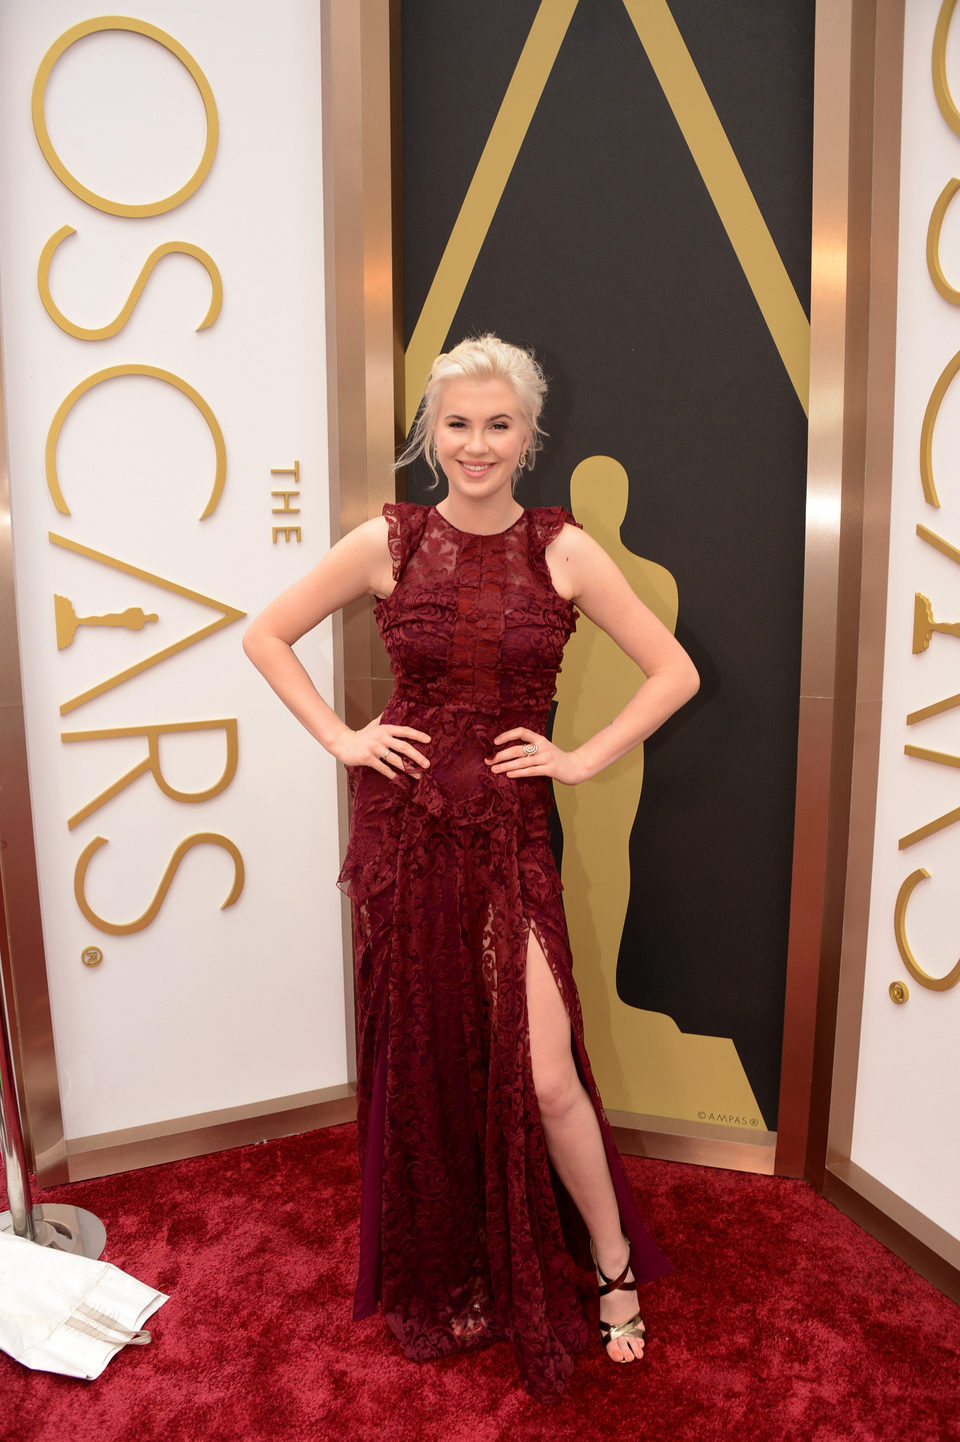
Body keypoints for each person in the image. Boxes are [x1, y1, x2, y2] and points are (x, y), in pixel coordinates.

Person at [243, 335, 699, 1400]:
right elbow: (266, 634)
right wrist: (346, 738)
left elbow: (672, 669)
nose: (478, 443)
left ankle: (614, 1264)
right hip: (407, 832)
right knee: (434, 1051)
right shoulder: (389, 537)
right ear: (430, 432)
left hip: (508, 831)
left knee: (543, 1071)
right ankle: (453, 1255)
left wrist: (580, 756)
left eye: (499, 424)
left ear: (530, 434)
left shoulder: (565, 546)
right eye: (458, 423)